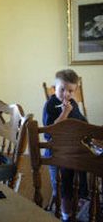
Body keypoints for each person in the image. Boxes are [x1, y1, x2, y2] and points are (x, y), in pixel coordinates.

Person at [43, 69, 87, 222]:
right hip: (55, 153)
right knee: (62, 187)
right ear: (55, 88)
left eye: (70, 91)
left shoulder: (73, 104)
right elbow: (49, 133)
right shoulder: (50, 105)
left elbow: (83, 122)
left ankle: (83, 196)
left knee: (88, 162)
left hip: (72, 150)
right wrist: (64, 113)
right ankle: (65, 215)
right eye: (62, 89)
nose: (66, 94)